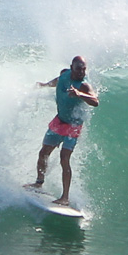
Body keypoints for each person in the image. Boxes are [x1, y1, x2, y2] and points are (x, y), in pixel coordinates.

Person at [28, 55, 99, 206]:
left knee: (64, 158)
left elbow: (95, 101)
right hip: (59, 121)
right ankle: (39, 183)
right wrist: (45, 85)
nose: (82, 72)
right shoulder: (64, 74)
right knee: (43, 152)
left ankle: (65, 197)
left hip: (73, 126)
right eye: (79, 68)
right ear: (72, 67)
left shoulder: (83, 85)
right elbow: (58, 81)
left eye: (84, 69)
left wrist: (80, 94)